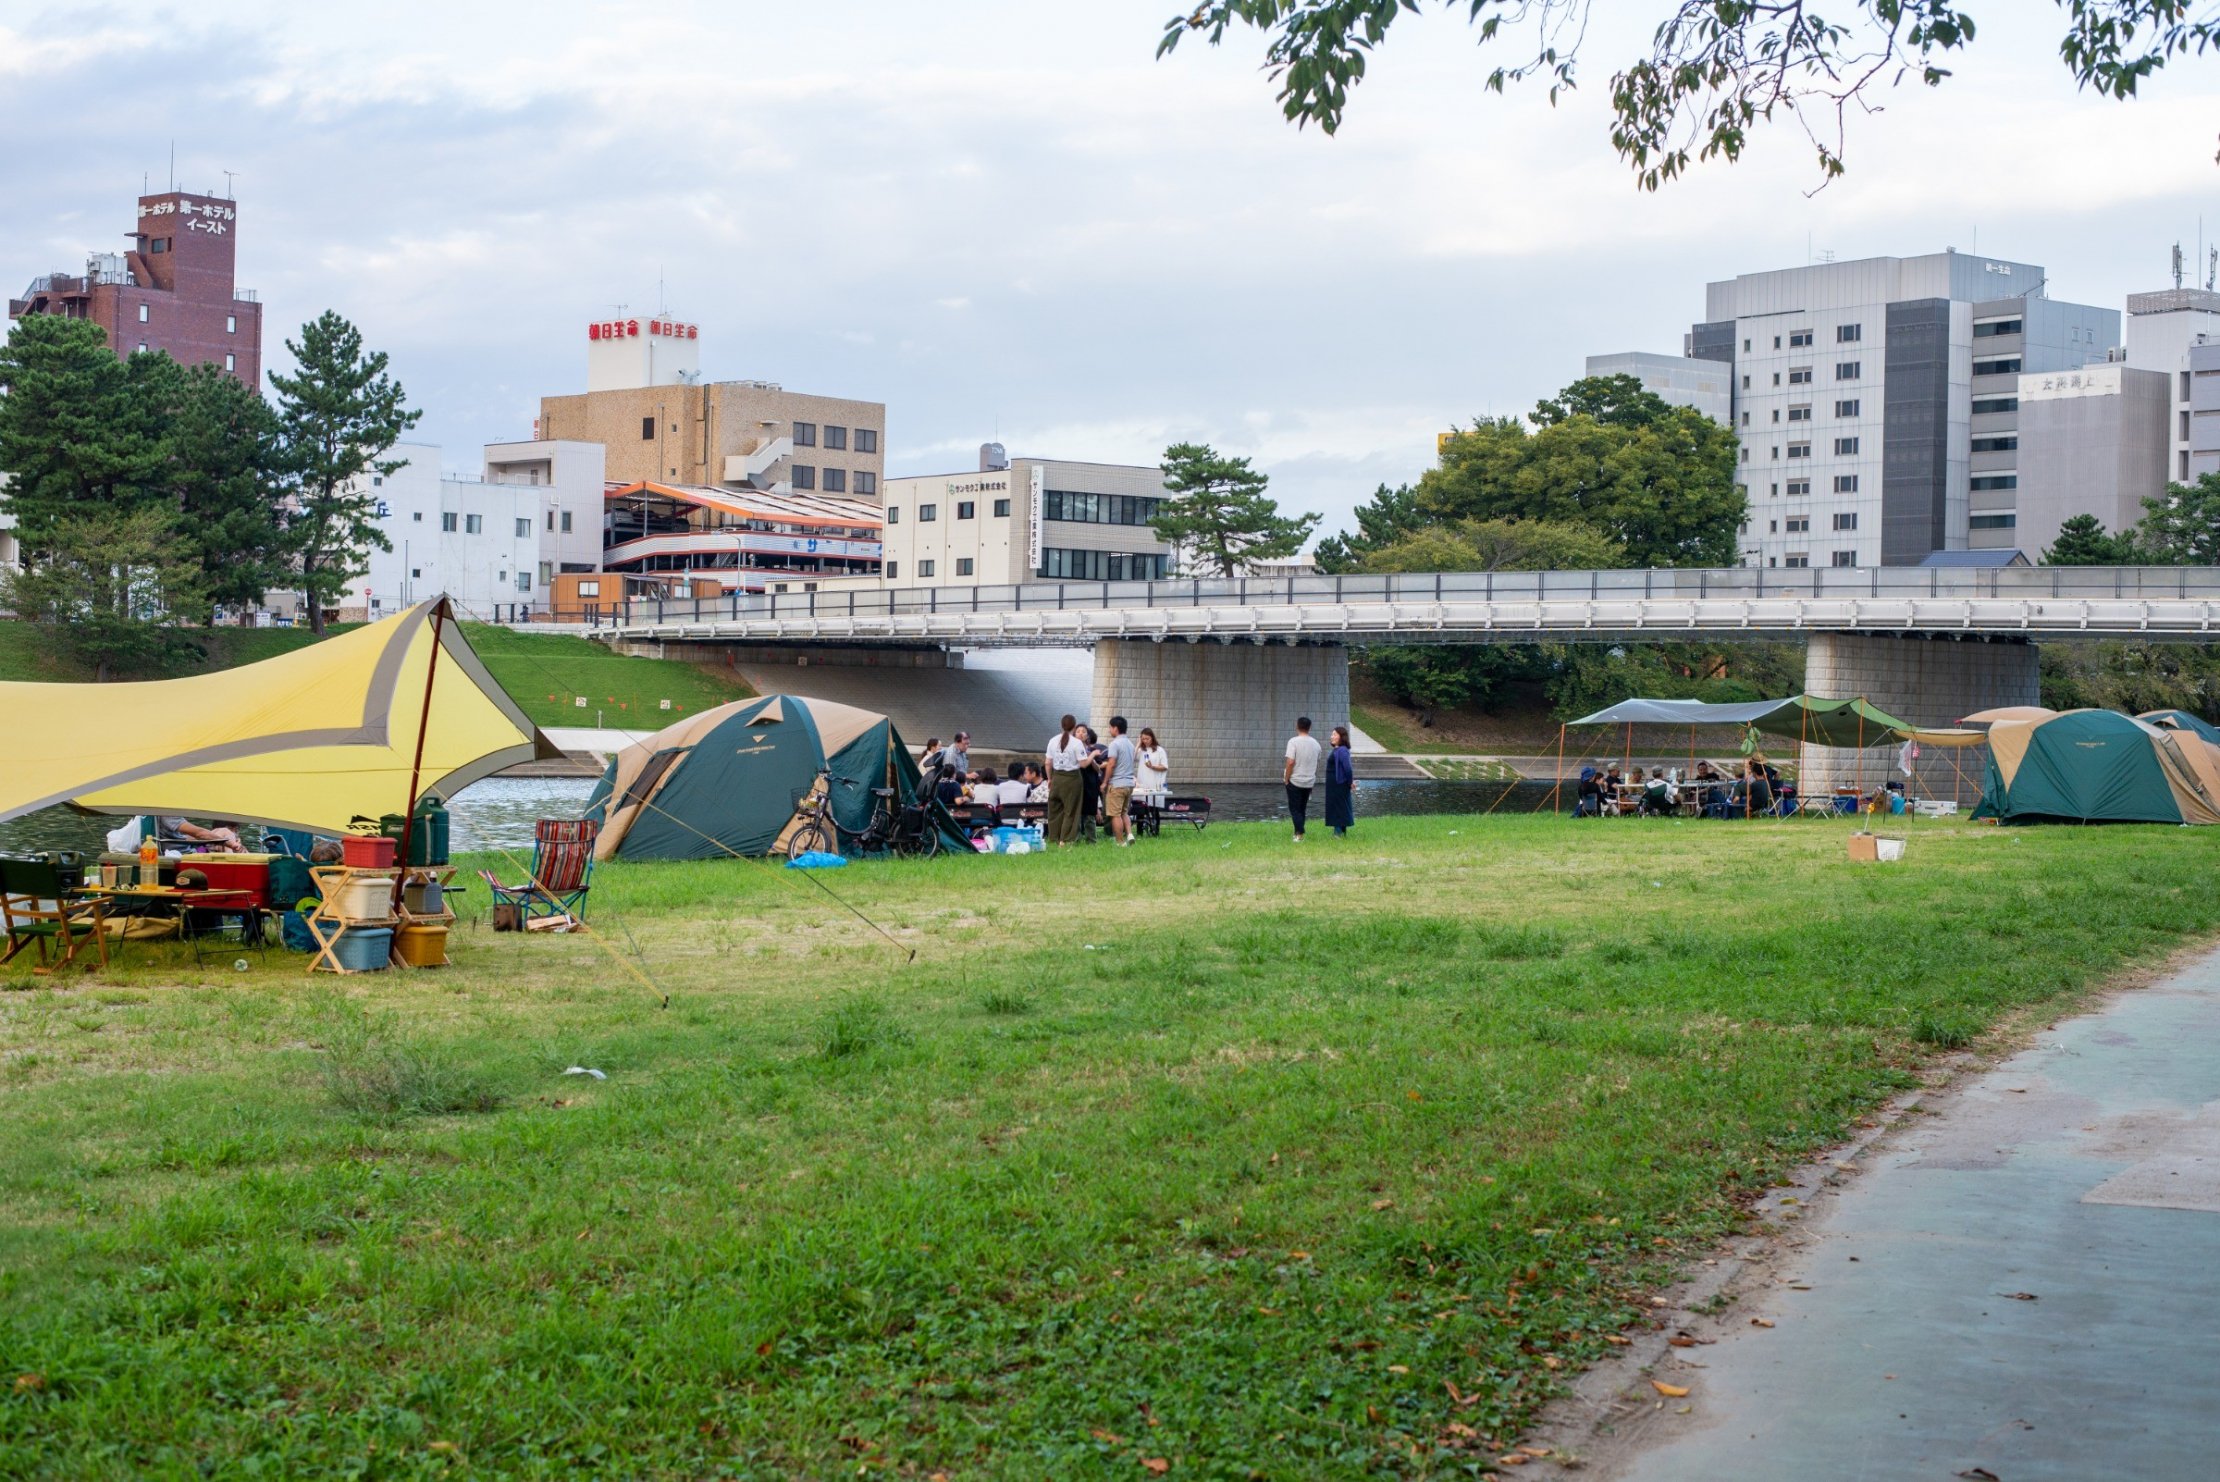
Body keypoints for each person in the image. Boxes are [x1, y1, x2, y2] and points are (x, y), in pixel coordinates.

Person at [1045, 715, 1087, 846]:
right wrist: (1091, 756)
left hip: (1057, 777)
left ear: (1061, 725)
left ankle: (1054, 837)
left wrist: (1050, 778)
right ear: (1074, 727)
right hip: (1072, 779)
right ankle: (1065, 839)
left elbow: (1047, 762)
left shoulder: (1052, 741)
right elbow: (1083, 764)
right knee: (1071, 810)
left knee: (1055, 809)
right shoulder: (1077, 743)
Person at [1101, 716, 1139, 847]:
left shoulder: (1114, 744)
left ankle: (1120, 842)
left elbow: (1111, 764)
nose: (1109, 730)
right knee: (1124, 812)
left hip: (1117, 784)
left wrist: (1105, 782)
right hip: (1129, 784)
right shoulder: (1130, 744)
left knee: (1115, 814)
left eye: (1110, 727)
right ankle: (1129, 834)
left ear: (1115, 728)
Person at [1284, 716, 1322, 841]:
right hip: (1309, 781)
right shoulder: (1316, 744)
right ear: (1310, 728)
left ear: (1297, 726)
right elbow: (1317, 764)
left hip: (1295, 780)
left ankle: (1299, 834)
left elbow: (1290, 762)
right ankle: (1297, 833)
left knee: (1295, 809)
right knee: (1302, 808)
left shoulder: (1293, 742)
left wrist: (1286, 778)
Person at [1323, 725, 1355, 837]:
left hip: (1339, 784)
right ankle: (1341, 833)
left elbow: (1348, 768)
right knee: (1338, 806)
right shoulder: (1337, 750)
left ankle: (1338, 834)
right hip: (1334, 785)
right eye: (1332, 734)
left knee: (1338, 807)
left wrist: (1350, 782)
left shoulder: (1342, 750)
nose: (1332, 736)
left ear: (1342, 737)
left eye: (1334, 734)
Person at [1077, 725, 1106, 843]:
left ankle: (1091, 840)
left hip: (1090, 783)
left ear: (1087, 736)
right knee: (1076, 813)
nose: (1080, 733)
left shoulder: (1090, 750)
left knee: (1090, 813)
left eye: (1083, 731)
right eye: (1077, 731)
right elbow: (1082, 764)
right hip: (1076, 783)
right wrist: (1092, 755)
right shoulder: (1071, 749)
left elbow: (1098, 769)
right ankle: (1075, 838)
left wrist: (1092, 757)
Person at [156, 816, 241, 850]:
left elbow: (194, 836)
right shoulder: (167, 814)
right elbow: (200, 833)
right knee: (225, 833)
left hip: (192, 848)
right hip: (185, 854)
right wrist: (231, 844)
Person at [1135, 728, 1170, 802]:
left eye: (1147, 739)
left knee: (1153, 805)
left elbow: (1164, 767)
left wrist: (1152, 767)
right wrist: (1138, 745)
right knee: (1141, 805)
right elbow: (1132, 758)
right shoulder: (1141, 750)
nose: (1145, 741)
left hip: (1154, 783)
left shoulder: (1159, 750)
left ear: (1152, 738)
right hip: (1142, 783)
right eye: (1143, 739)